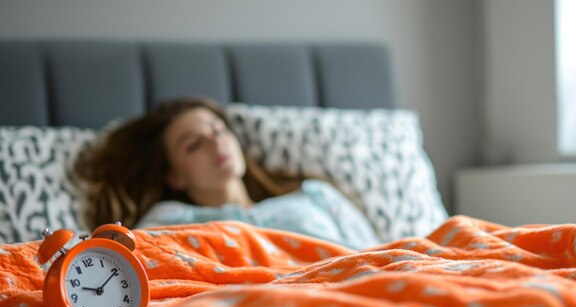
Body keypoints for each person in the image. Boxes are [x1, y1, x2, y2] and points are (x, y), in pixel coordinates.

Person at [75, 97, 380, 250]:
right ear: (175, 177)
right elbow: (145, 275)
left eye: (219, 130)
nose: (214, 142)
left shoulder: (315, 196)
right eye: (194, 145)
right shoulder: (168, 220)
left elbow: (382, 258)